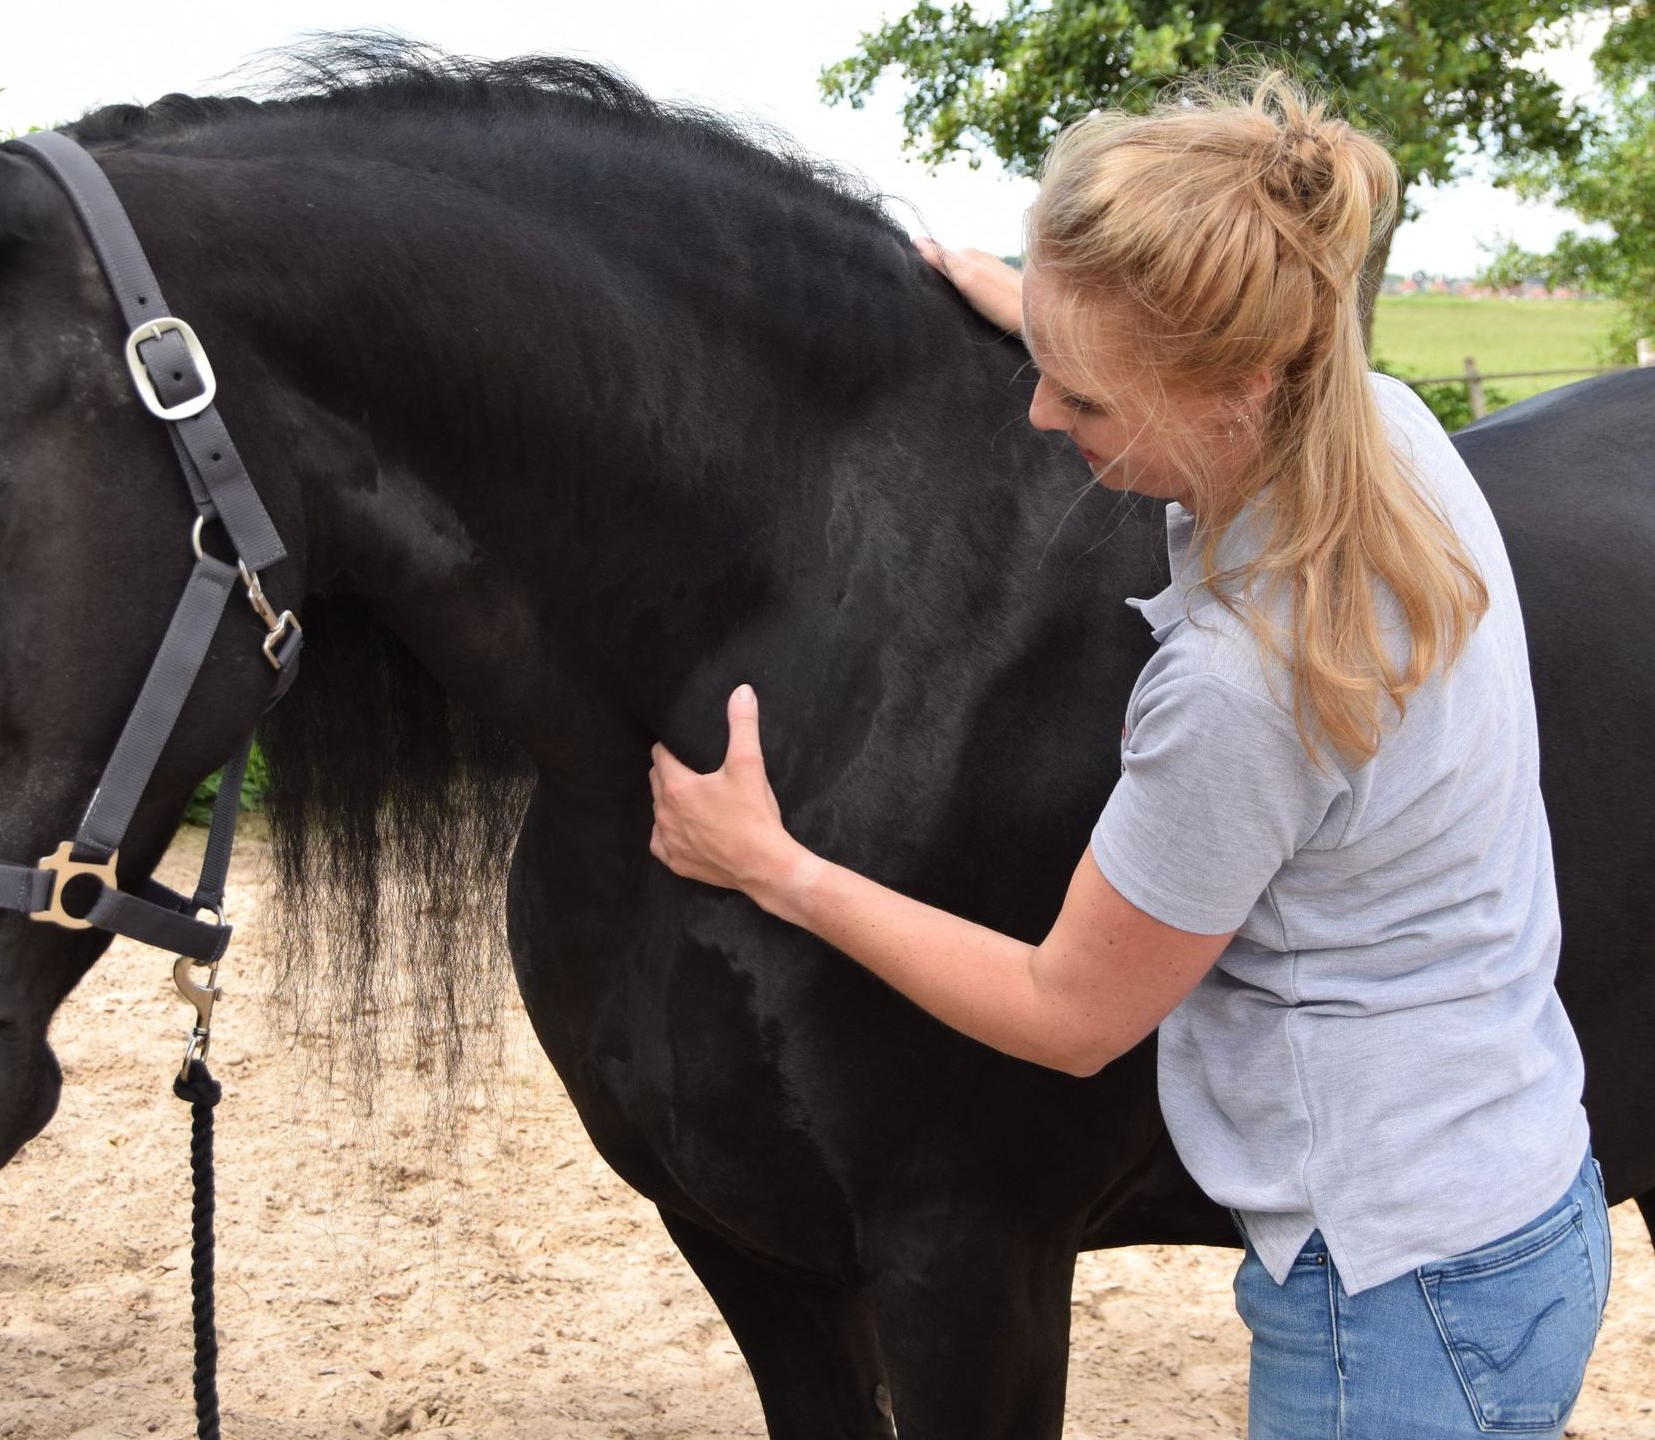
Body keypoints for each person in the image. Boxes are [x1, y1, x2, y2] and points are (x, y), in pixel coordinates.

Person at [646, 65, 1610, 1439]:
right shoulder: (1381, 429)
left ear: (1236, 386)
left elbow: (1071, 1014)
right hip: (1514, 1198)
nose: (1042, 417)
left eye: (1085, 399)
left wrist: (773, 865)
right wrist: (1049, 308)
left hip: (1394, 1301)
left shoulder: (1247, 680)